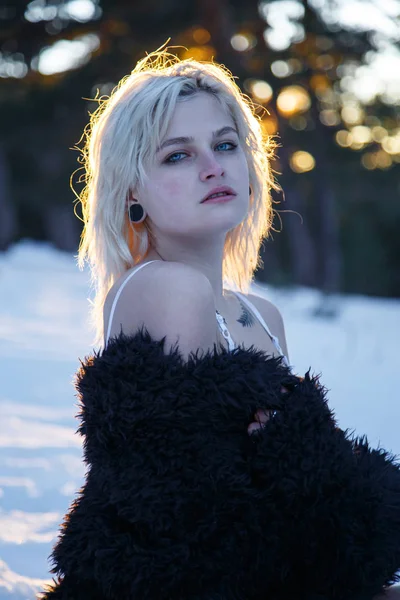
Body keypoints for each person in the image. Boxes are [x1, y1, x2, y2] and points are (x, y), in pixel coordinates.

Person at [38, 47, 400, 600]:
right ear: (132, 189)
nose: (213, 165)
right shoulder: (167, 288)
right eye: (177, 156)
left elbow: (282, 515)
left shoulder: (261, 316)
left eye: (225, 145)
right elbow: (191, 526)